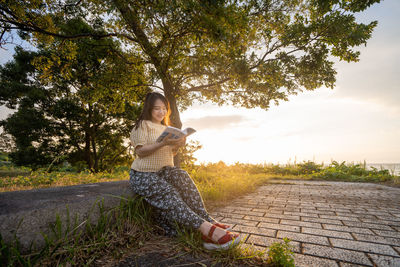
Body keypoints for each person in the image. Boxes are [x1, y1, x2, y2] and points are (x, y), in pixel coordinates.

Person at [128, 92, 241, 250]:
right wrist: (163, 143)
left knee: (182, 175)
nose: (161, 112)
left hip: (164, 171)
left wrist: (177, 145)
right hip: (144, 175)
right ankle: (208, 231)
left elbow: (169, 153)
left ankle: (207, 220)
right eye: (156, 109)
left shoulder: (166, 128)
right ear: (148, 109)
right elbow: (140, 151)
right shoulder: (142, 125)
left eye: (163, 109)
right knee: (169, 193)